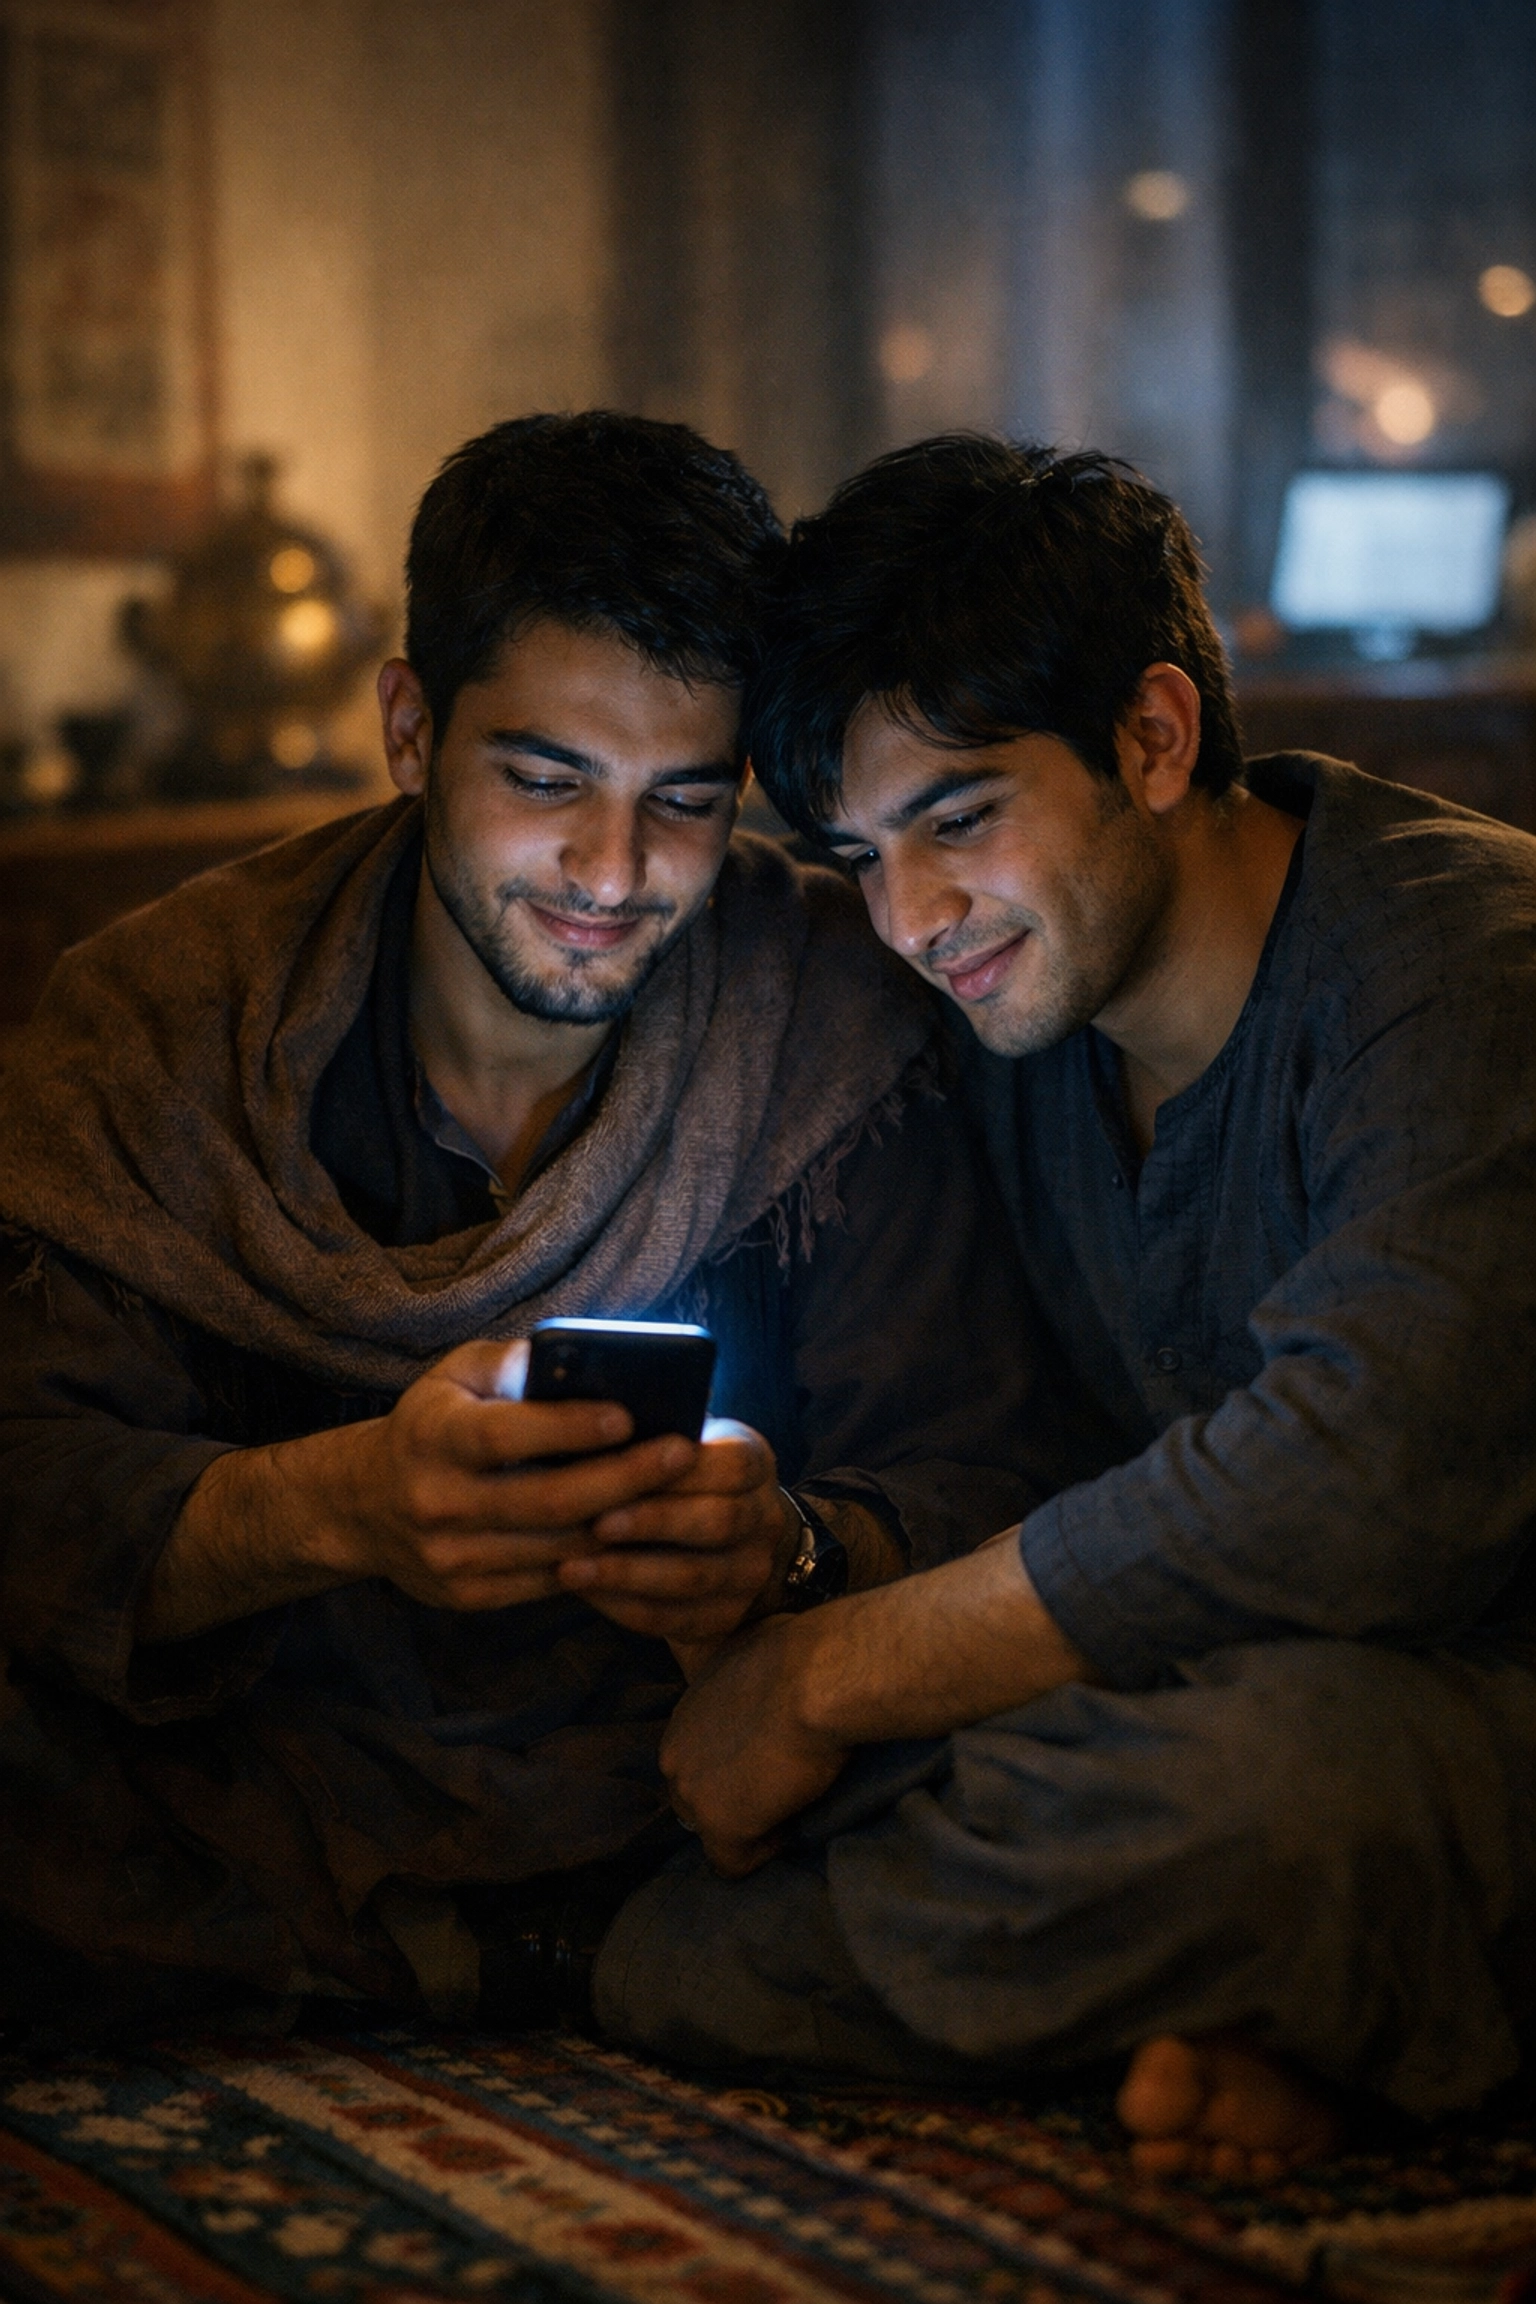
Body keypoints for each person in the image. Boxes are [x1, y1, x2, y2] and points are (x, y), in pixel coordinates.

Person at [0, 413, 1045, 2043]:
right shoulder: (165, 1014)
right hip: (248, 1771)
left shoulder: (830, 1010)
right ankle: (502, 1952)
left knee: (1080, 1754)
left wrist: (784, 1552)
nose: (614, 871)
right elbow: (27, 1477)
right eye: (547, 781)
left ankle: (488, 1948)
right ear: (411, 727)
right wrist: (329, 1509)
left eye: (686, 802)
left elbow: (986, 1476)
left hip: (682, 1778)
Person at [592, 436, 1536, 2183]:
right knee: (696, 1881)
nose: (914, 921)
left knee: (1286, 1796)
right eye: (863, 857)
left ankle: (1322, 1998)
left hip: (1451, 1715)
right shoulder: (1016, 1024)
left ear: (1157, 739)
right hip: (1214, 1701)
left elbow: (1361, 1483)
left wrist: (827, 1678)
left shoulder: (1467, 967)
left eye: (958, 820)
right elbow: (1015, 1459)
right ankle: (1310, 2024)